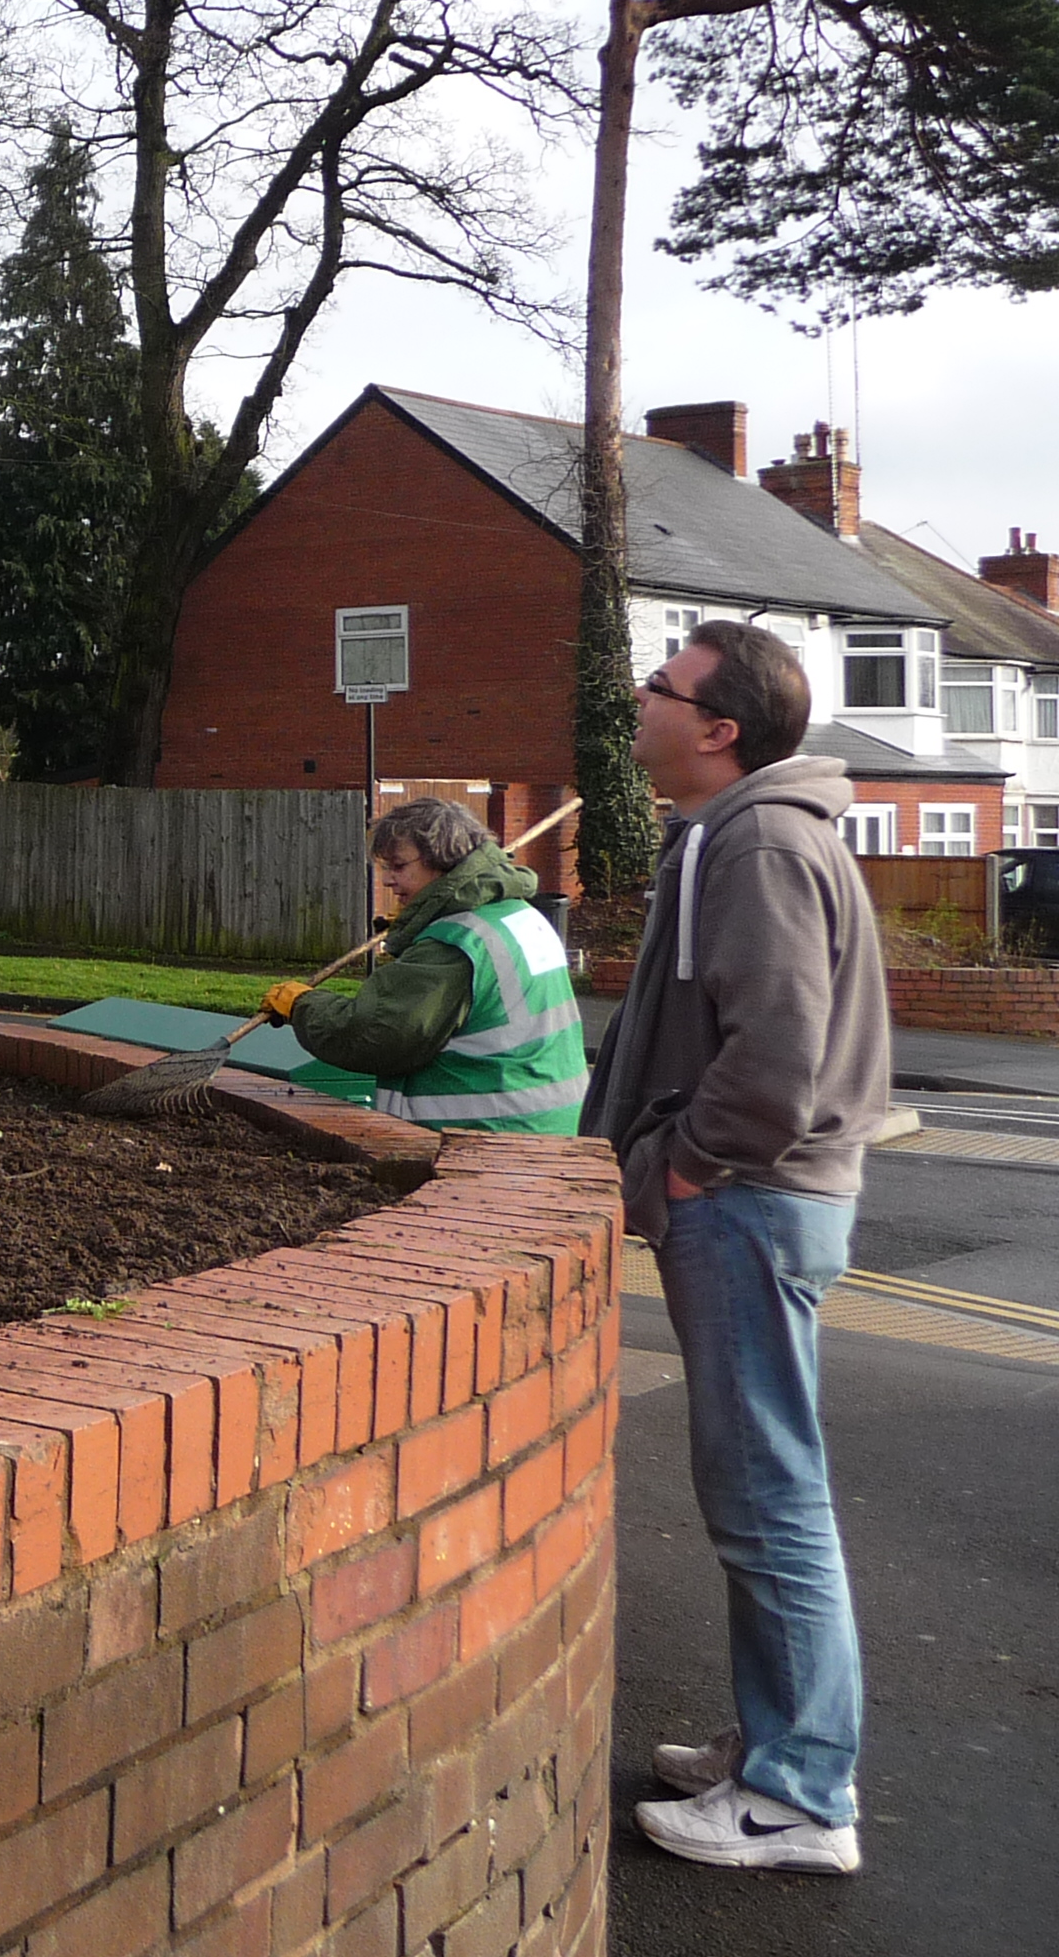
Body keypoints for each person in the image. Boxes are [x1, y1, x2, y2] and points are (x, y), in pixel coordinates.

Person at [584, 619, 884, 1876]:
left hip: (749, 1202)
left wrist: (686, 1170)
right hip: (760, 1201)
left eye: (663, 687)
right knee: (763, 1489)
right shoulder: (739, 831)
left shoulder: (756, 838)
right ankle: (778, 1743)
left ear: (720, 730)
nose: (641, 700)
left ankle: (802, 1793)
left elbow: (773, 1055)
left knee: (769, 1498)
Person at [265, 796, 588, 1132]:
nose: (388, 880)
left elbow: (376, 1036)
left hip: (486, 1137)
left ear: (442, 860)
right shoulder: (517, 914)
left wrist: (302, 1006)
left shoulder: (453, 943)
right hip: (549, 1126)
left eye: (399, 866)